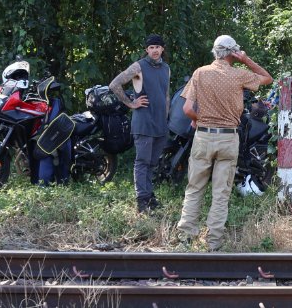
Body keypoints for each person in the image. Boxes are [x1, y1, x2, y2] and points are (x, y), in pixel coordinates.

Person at [176, 34, 272, 251]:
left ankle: (185, 238)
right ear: (233, 53)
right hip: (228, 138)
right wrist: (246, 60)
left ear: (215, 52)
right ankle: (214, 242)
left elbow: (187, 109)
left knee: (194, 188)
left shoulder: (200, 73)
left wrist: (199, 120)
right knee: (221, 193)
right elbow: (267, 78)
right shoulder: (239, 75)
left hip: (203, 136)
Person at [109, 34, 171, 213]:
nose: (155, 50)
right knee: (142, 161)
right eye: (151, 47)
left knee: (152, 162)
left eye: (157, 47)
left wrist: (166, 117)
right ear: (147, 49)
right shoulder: (139, 66)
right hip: (143, 122)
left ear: (162, 49)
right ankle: (142, 200)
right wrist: (131, 103)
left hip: (160, 123)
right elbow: (114, 84)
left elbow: (166, 94)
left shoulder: (166, 68)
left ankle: (149, 196)